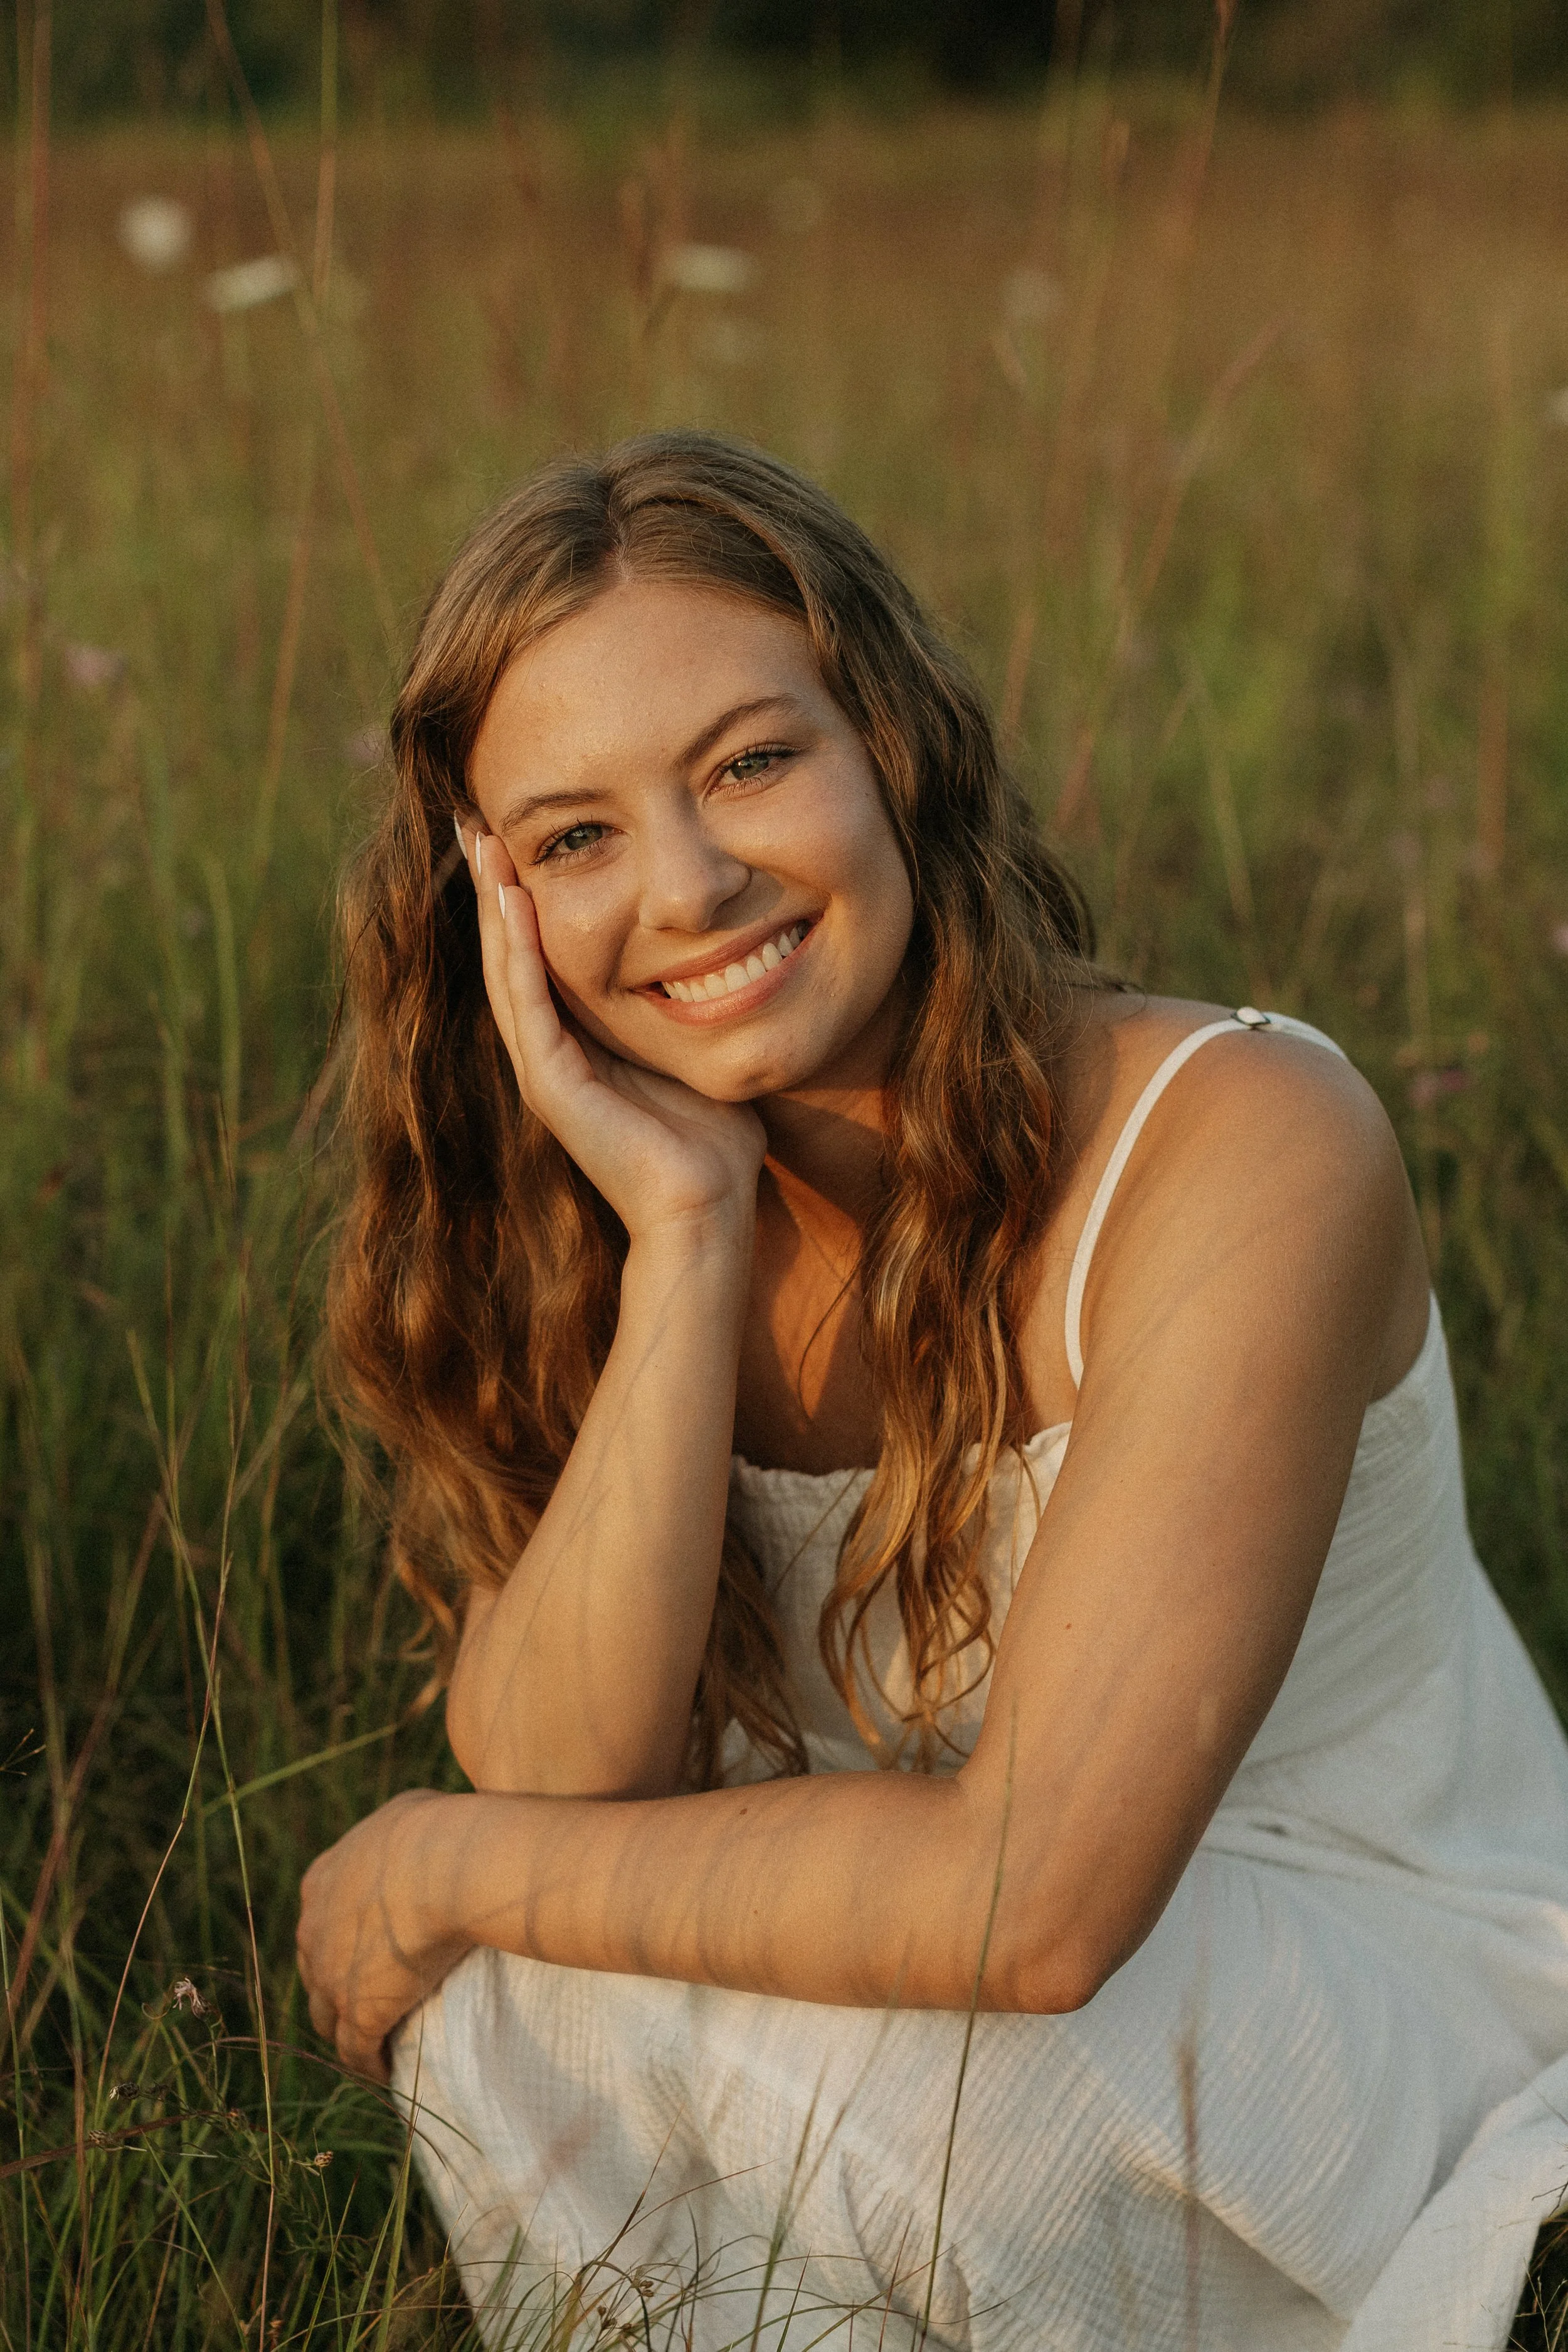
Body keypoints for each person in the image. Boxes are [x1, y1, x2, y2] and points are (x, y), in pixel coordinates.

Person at [297, 430, 1568, 2352]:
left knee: (889, 2081)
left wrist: (434, 1859)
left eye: (747, 761)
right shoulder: (622, 1201)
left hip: (1321, 1983)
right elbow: (566, 1768)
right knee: (505, 2012)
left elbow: (1032, 1902)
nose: (694, 883)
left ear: (887, 740)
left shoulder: (1239, 1142)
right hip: (904, 1975)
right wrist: (688, 1239)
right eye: (574, 838)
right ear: (494, 911)